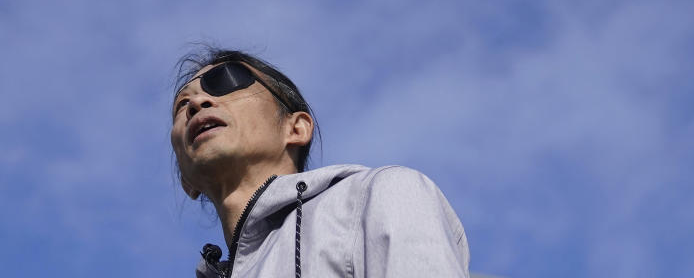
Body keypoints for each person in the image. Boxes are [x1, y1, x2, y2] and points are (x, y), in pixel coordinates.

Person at [171, 48, 471, 278]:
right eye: (181, 105)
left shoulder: (379, 197)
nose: (197, 104)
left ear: (296, 128)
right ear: (187, 183)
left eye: (226, 80)